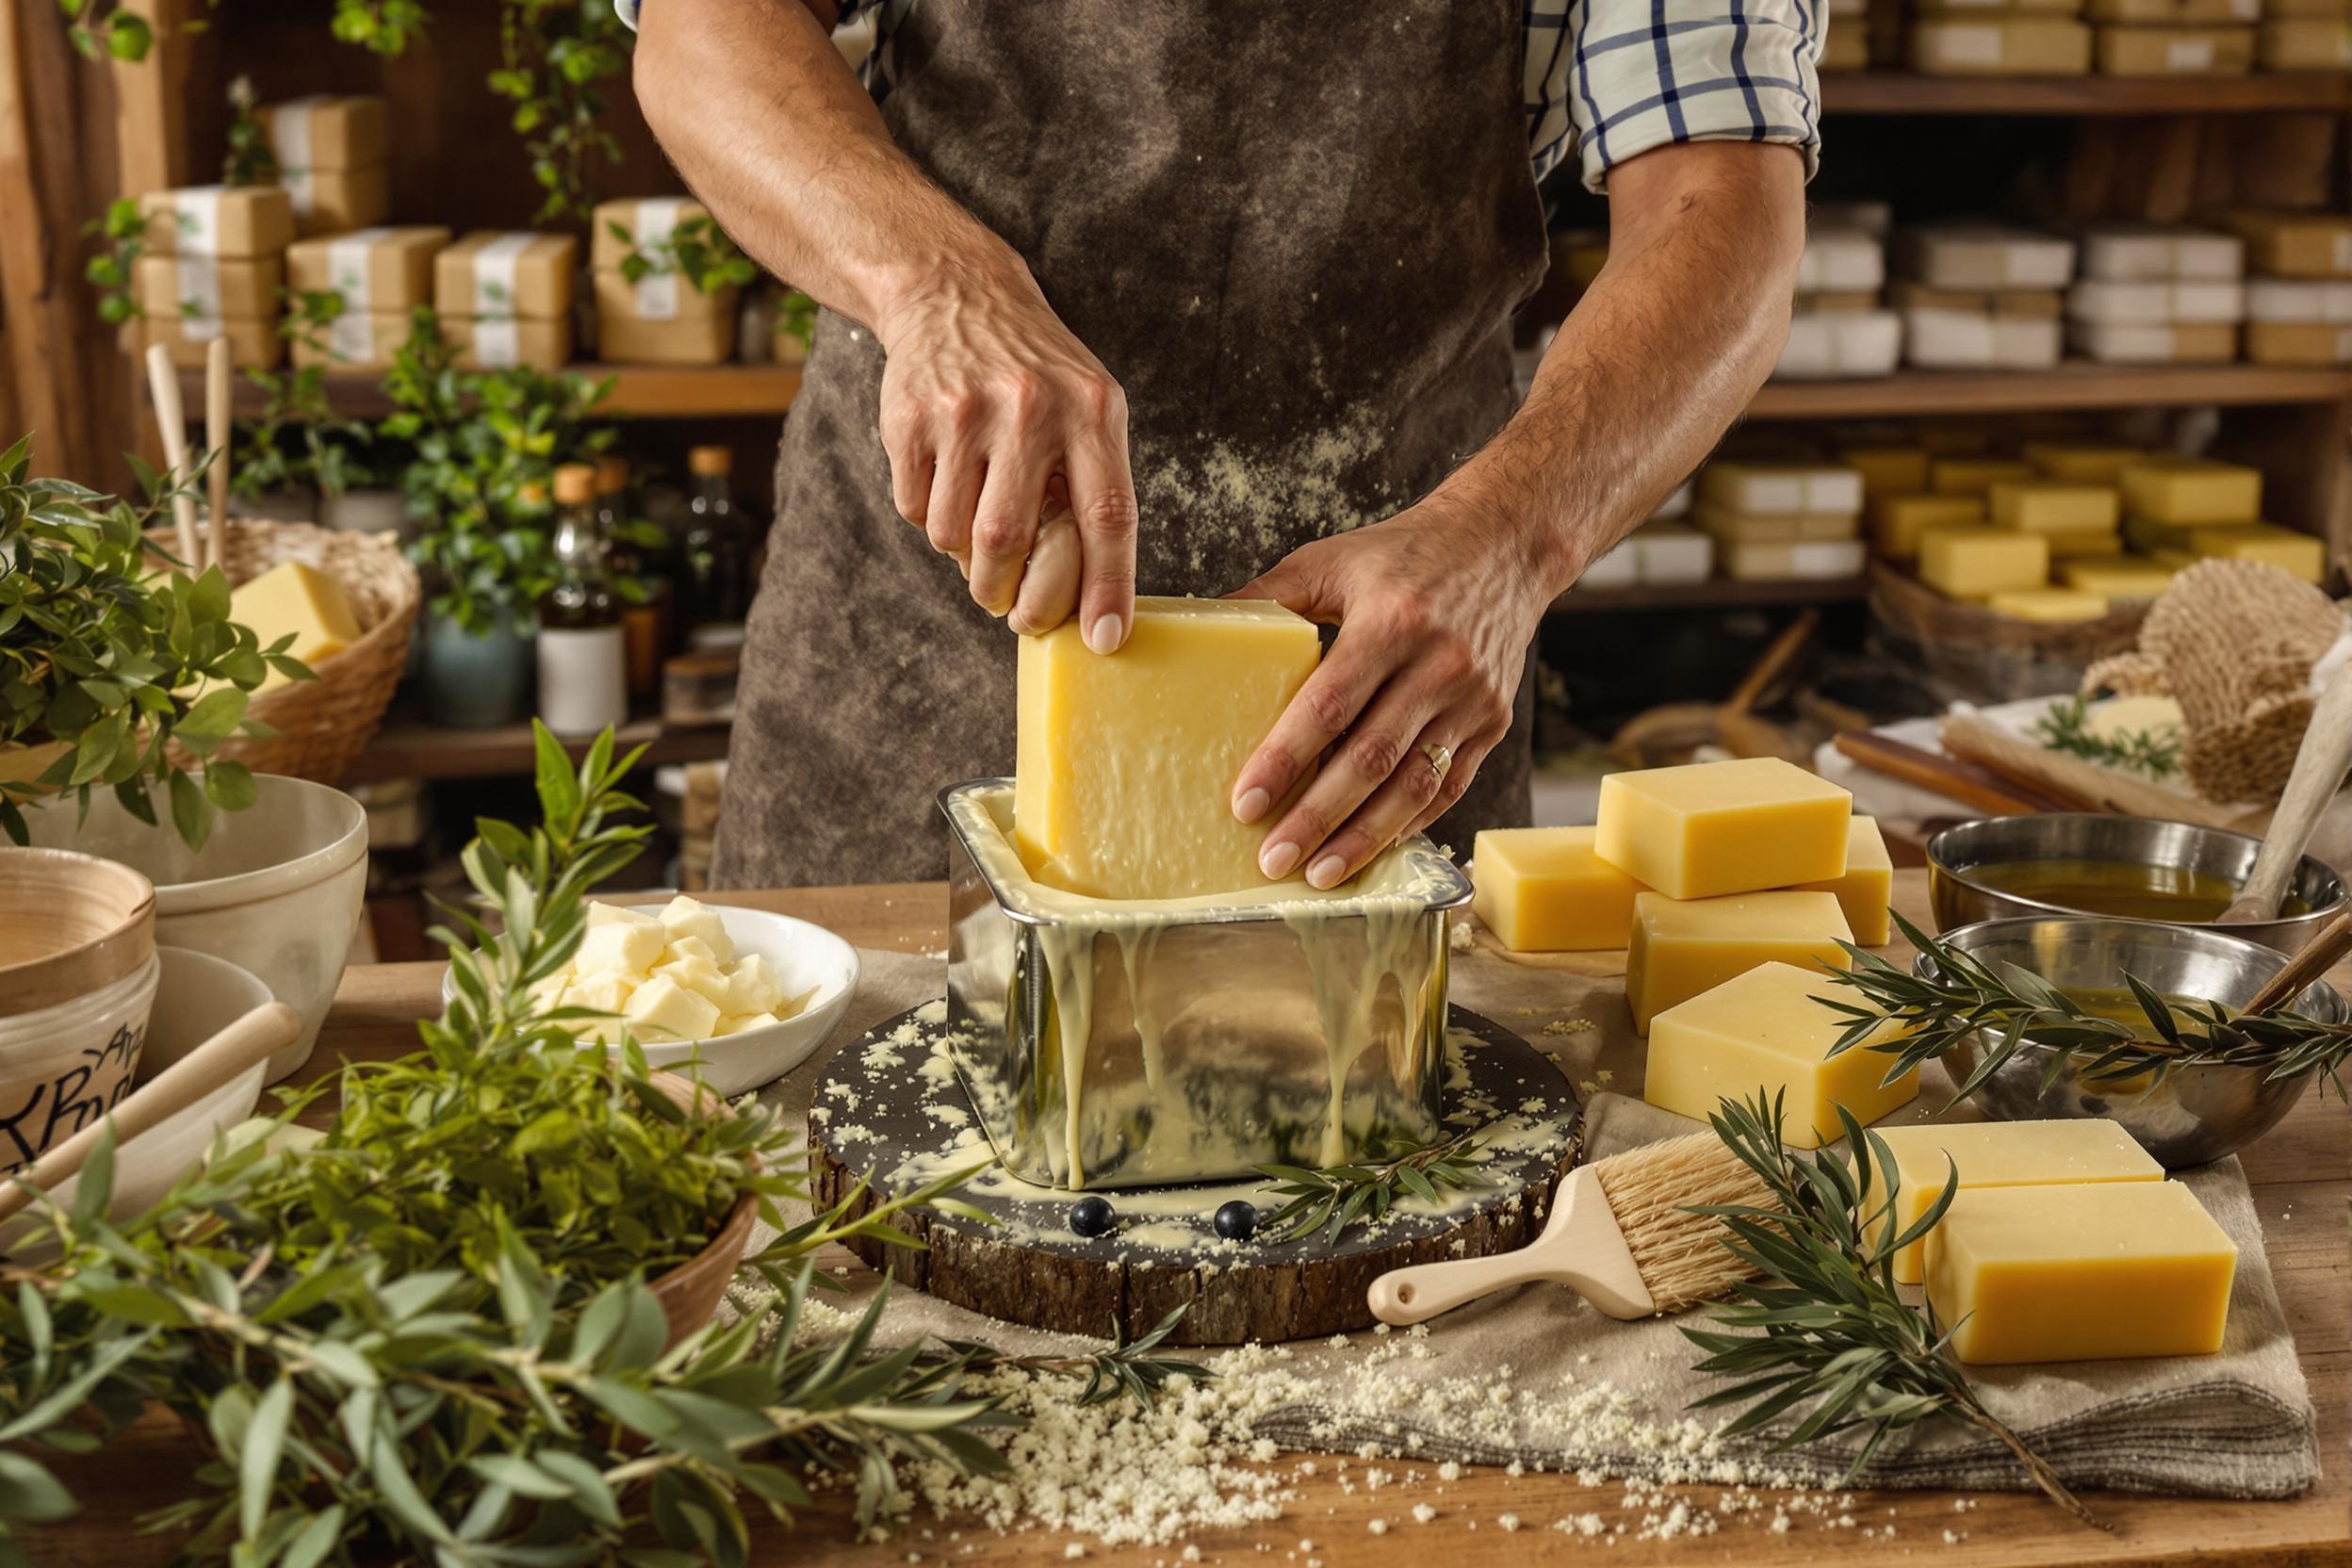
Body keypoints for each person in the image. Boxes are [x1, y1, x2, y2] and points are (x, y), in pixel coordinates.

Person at [627, 0, 1817, 890]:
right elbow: (706, 22)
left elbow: (1722, 198)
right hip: (914, 634)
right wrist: (937, 284)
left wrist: (1506, 542)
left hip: (1377, 682)